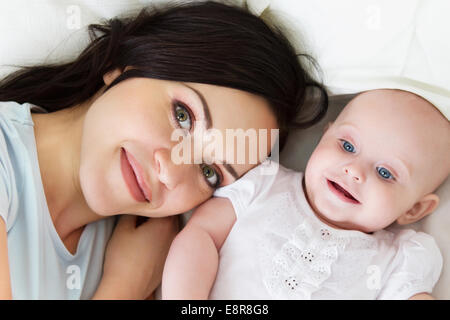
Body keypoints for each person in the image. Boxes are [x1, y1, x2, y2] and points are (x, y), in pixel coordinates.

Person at [0, 1, 328, 299]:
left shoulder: (144, 257)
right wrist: (124, 287)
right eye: (182, 116)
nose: (170, 171)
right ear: (123, 65)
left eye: (209, 172)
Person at [162, 88, 449, 300]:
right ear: (325, 136)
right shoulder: (263, 184)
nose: (354, 171)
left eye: (385, 173)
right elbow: (201, 236)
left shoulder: (396, 259)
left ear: (414, 210)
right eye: (347, 147)